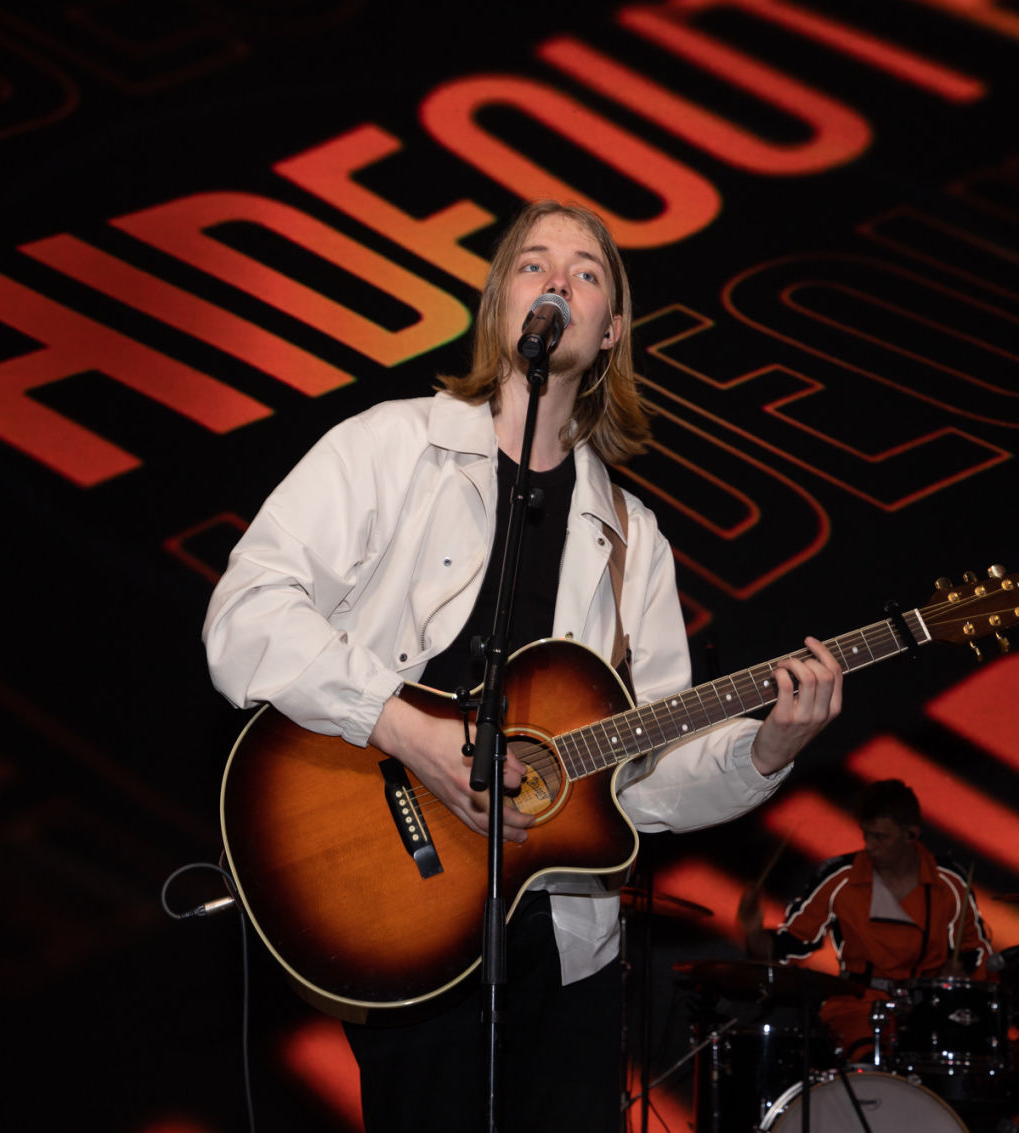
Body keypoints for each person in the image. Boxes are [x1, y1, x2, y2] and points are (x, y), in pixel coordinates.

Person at [203, 199, 844, 1133]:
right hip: (411, 908)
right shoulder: (391, 448)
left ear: (611, 330)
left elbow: (648, 776)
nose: (557, 283)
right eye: (534, 264)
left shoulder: (633, 541)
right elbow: (245, 615)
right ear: (502, 301)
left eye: (587, 273)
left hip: (568, 949)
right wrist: (405, 730)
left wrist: (765, 749)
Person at [739, 778, 998, 1056]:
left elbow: (974, 951)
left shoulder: (950, 881)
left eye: (880, 837)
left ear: (911, 834)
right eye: (866, 835)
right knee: (867, 1058)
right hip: (856, 1008)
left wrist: (960, 973)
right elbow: (792, 943)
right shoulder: (841, 877)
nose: (870, 846)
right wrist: (753, 931)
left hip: (928, 1013)